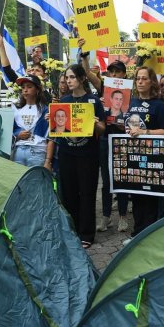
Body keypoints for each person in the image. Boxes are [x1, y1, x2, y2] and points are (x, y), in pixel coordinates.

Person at [56, 64, 105, 248]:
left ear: (82, 78)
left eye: (72, 77)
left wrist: (95, 124)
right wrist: (52, 121)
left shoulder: (93, 101)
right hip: (67, 153)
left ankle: (87, 234)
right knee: (69, 193)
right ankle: (72, 231)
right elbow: (58, 128)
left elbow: (102, 128)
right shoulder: (64, 100)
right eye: (66, 77)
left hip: (88, 155)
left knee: (87, 192)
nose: (68, 81)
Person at [122, 66, 164, 244]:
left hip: (153, 157)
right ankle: (137, 234)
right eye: (138, 78)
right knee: (136, 196)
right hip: (134, 156)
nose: (140, 82)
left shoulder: (159, 105)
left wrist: (145, 132)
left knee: (151, 198)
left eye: (144, 78)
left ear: (152, 82)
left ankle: (148, 237)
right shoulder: (130, 102)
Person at [98, 60, 130, 234]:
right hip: (105, 141)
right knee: (106, 181)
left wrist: (125, 125)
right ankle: (106, 216)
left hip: (122, 140)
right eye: (111, 72)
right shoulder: (104, 92)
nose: (114, 75)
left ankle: (123, 216)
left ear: (124, 74)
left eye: (118, 71)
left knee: (121, 179)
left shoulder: (130, 94)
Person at [11, 75, 53, 168]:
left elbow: (51, 138)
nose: (25, 90)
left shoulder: (46, 110)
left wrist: (48, 160)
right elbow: (9, 131)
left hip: (37, 151)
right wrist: (18, 134)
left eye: (29, 87)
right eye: (23, 87)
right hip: (18, 151)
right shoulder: (15, 110)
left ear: (37, 89)